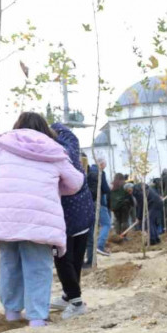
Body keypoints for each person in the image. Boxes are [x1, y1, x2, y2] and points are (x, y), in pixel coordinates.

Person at [0, 112, 83, 327]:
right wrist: (57, 186)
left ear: (18, 124)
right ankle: (37, 318)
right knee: (38, 267)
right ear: (44, 128)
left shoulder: (4, 143)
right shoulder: (55, 150)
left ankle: (12, 314)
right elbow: (76, 182)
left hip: (5, 215)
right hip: (39, 216)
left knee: (10, 264)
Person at [48, 124, 94, 320]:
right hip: (83, 213)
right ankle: (69, 296)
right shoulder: (72, 149)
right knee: (74, 258)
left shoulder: (53, 154)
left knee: (62, 258)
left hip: (67, 214)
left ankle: (76, 302)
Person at [85, 156, 112, 265]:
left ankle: (90, 258)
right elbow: (105, 189)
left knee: (91, 230)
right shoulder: (100, 173)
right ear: (101, 164)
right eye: (104, 165)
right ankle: (100, 246)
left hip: (89, 203)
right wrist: (109, 187)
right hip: (99, 203)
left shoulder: (89, 172)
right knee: (106, 224)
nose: (104, 167)